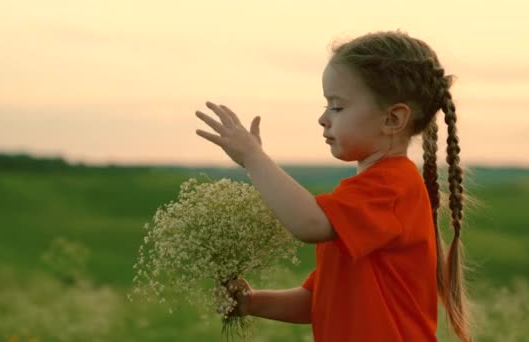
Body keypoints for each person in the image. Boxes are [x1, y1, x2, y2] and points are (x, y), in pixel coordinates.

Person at [195, 29, 471, 342]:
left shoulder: (392, 187)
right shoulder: (363, 197)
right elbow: (320, 301)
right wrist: (251, 302)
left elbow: (309, 224)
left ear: (393, 120)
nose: (323, 118)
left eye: (337, 107)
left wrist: (252, 157)